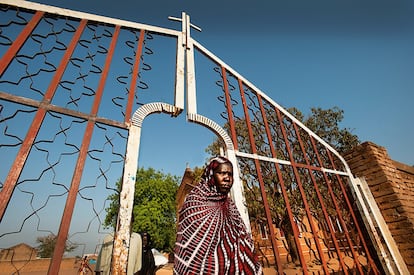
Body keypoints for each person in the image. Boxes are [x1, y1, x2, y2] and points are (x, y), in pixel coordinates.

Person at [174, 156, 263, 274]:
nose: (227, 178)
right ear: (211, 175)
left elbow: (243, 241)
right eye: (221, 173)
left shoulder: (230, 206)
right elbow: (189, 245)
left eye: (230, 174)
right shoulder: (195, 203)